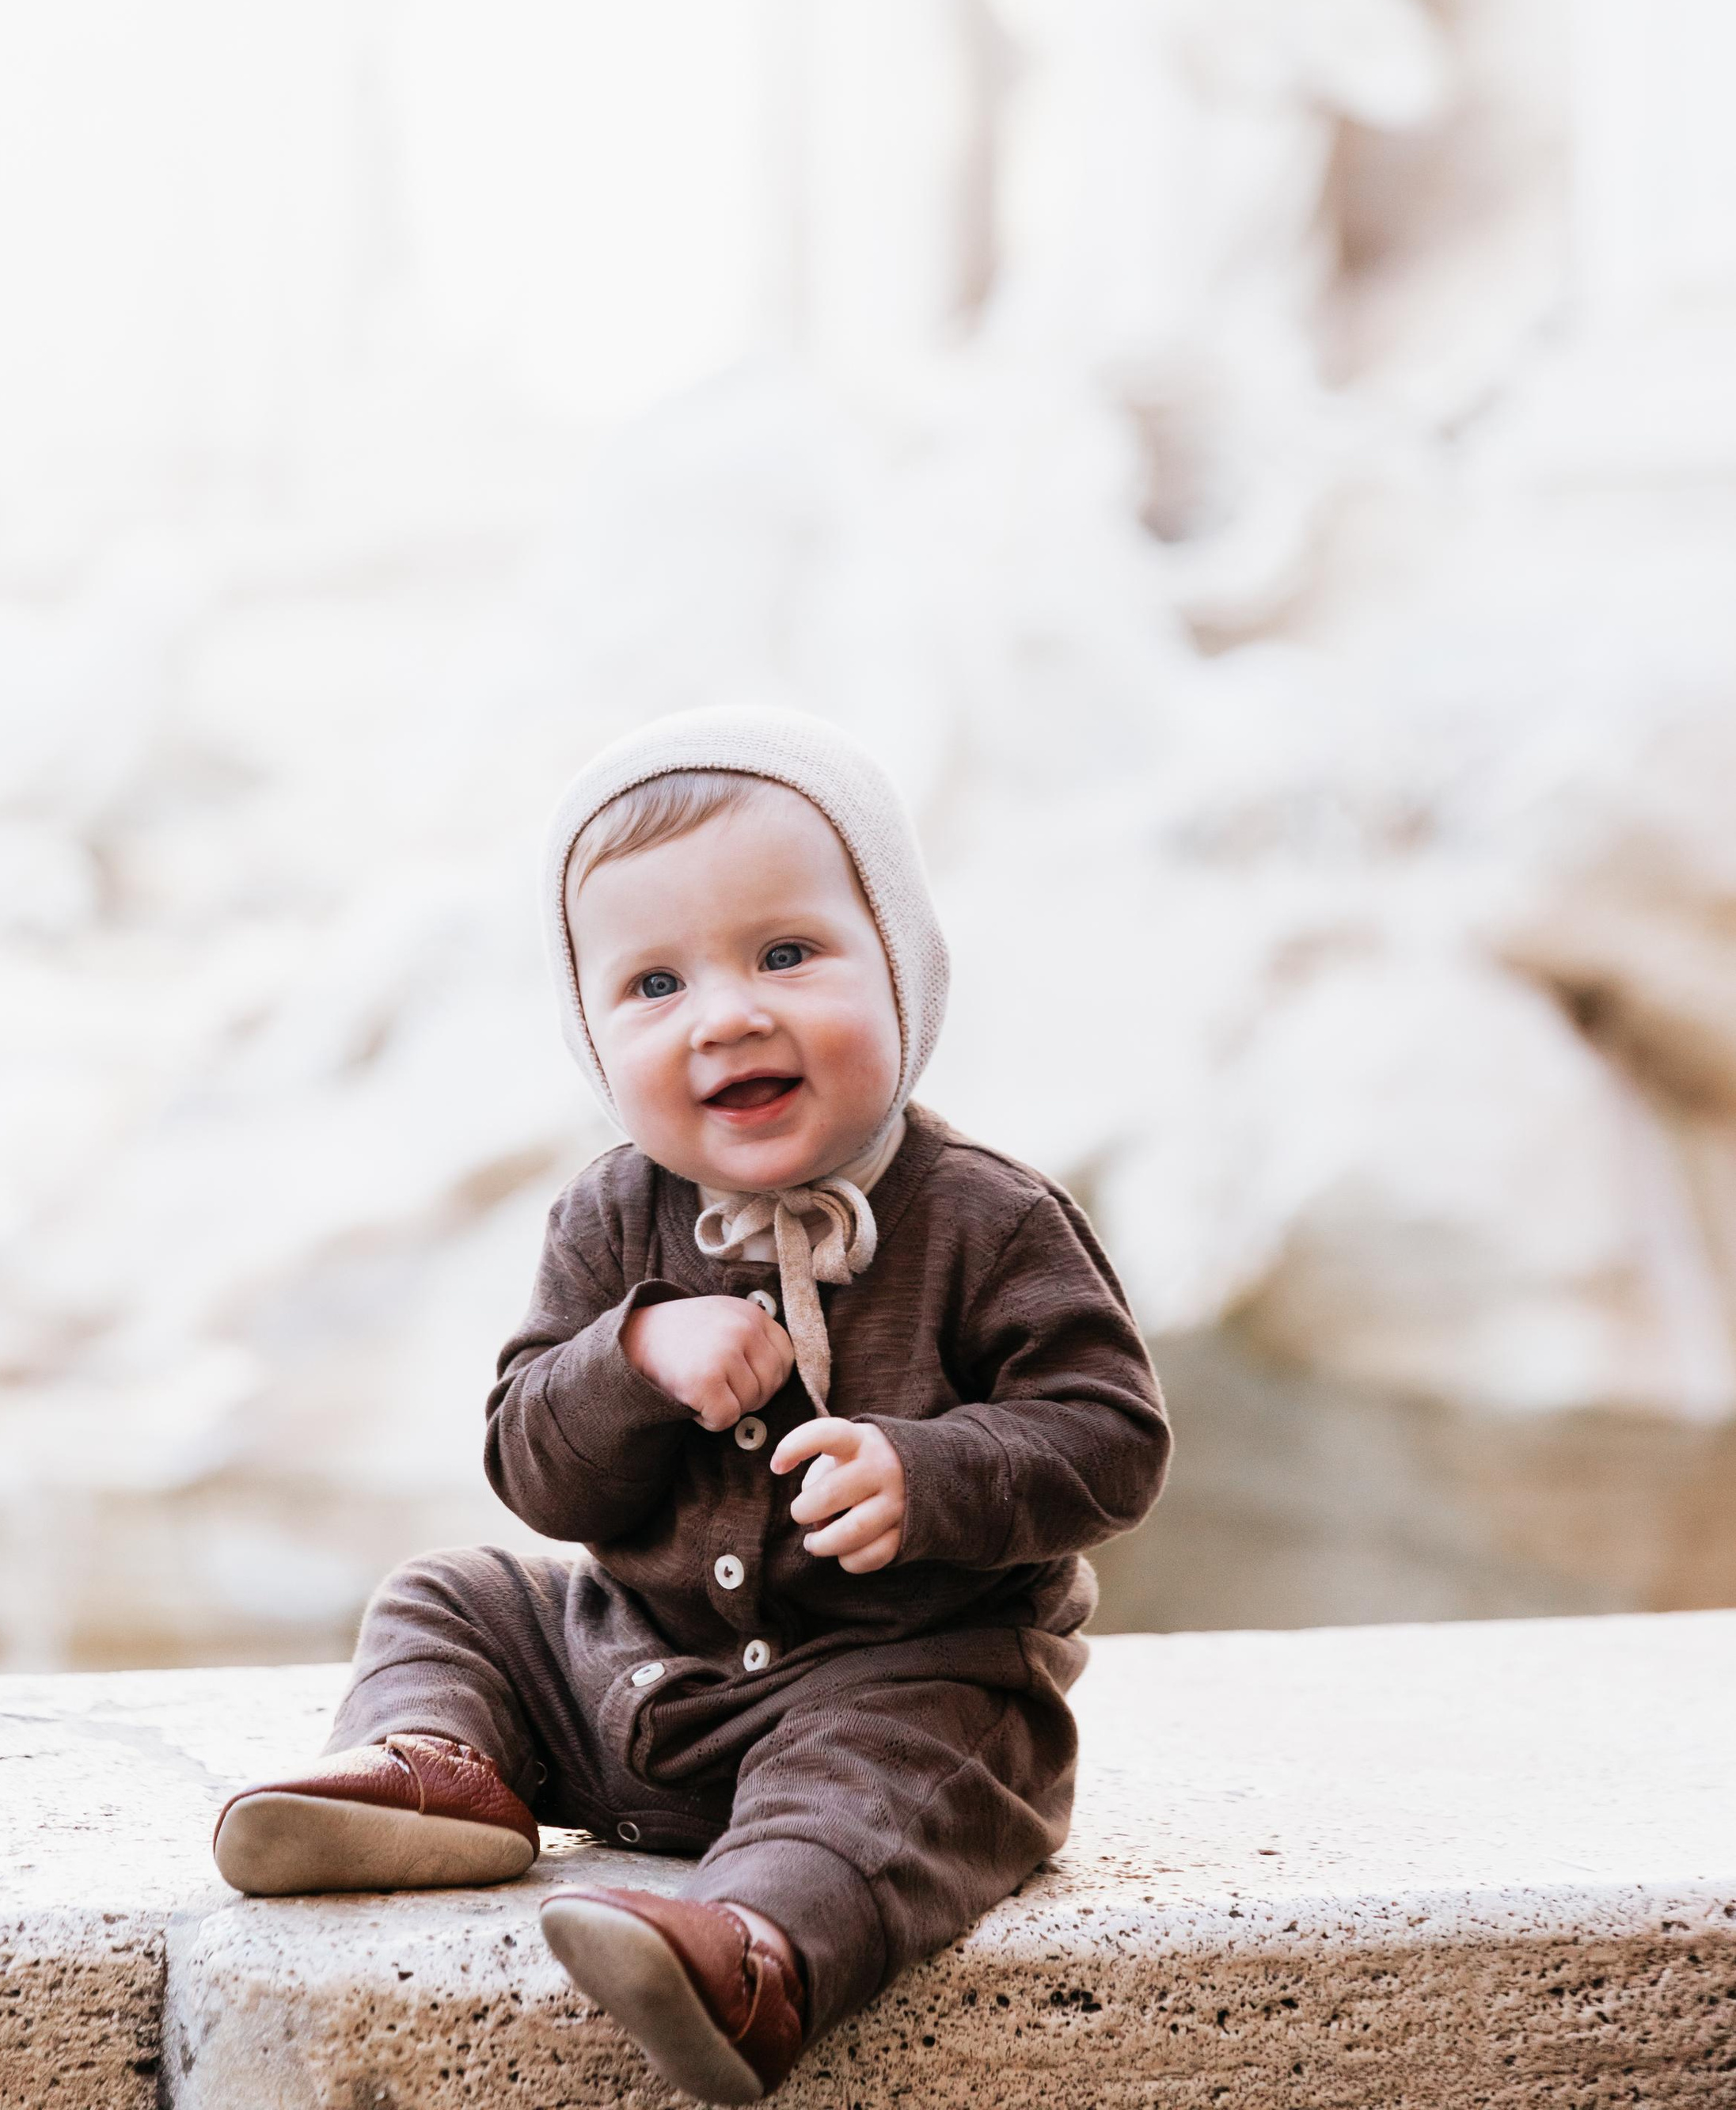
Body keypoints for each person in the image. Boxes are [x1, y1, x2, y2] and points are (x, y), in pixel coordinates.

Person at [211, 706, 1170, 2101]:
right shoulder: (611, 1217)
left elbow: (1114, 1438)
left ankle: (751, 1955)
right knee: (455, 1592)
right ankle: (444, 1774)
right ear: (593, 1035)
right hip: (634, 1674)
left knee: (909, 1769)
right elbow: (535, 1469)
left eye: (787, 954)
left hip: (897, 1683)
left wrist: (929, 1471)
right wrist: (630, 1358)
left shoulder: (986, 1219)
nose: (728, 1014)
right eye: (654, 985)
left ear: (900, 966)